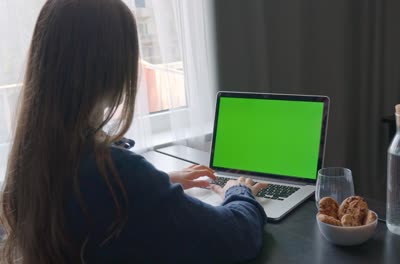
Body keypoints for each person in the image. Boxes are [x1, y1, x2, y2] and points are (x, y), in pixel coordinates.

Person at [0, 0, 268, 263]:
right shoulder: (116, 174)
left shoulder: (30, 160)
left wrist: (160, 183)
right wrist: (238, 191)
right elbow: (235, 236)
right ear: (114, 71)